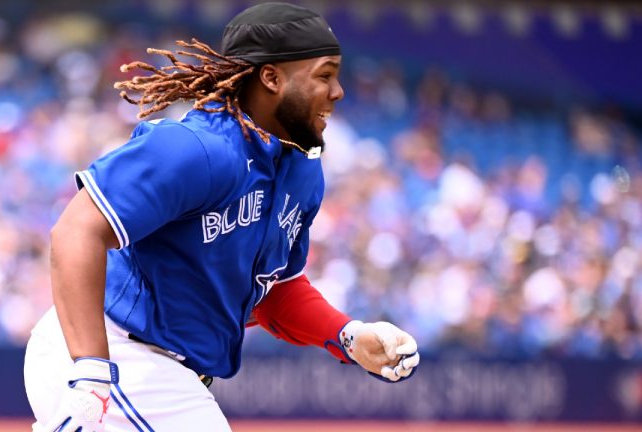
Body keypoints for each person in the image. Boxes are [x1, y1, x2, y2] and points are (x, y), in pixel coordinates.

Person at [23, 2, 420, 431]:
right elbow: (76, 230)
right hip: (113, 350)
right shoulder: (196, 147)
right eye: (324, 75)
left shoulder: (303, 172)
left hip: (164, 376)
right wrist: (92, 370)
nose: (338, 90)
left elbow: (273, 291)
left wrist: (347, 335)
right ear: (271, 77)